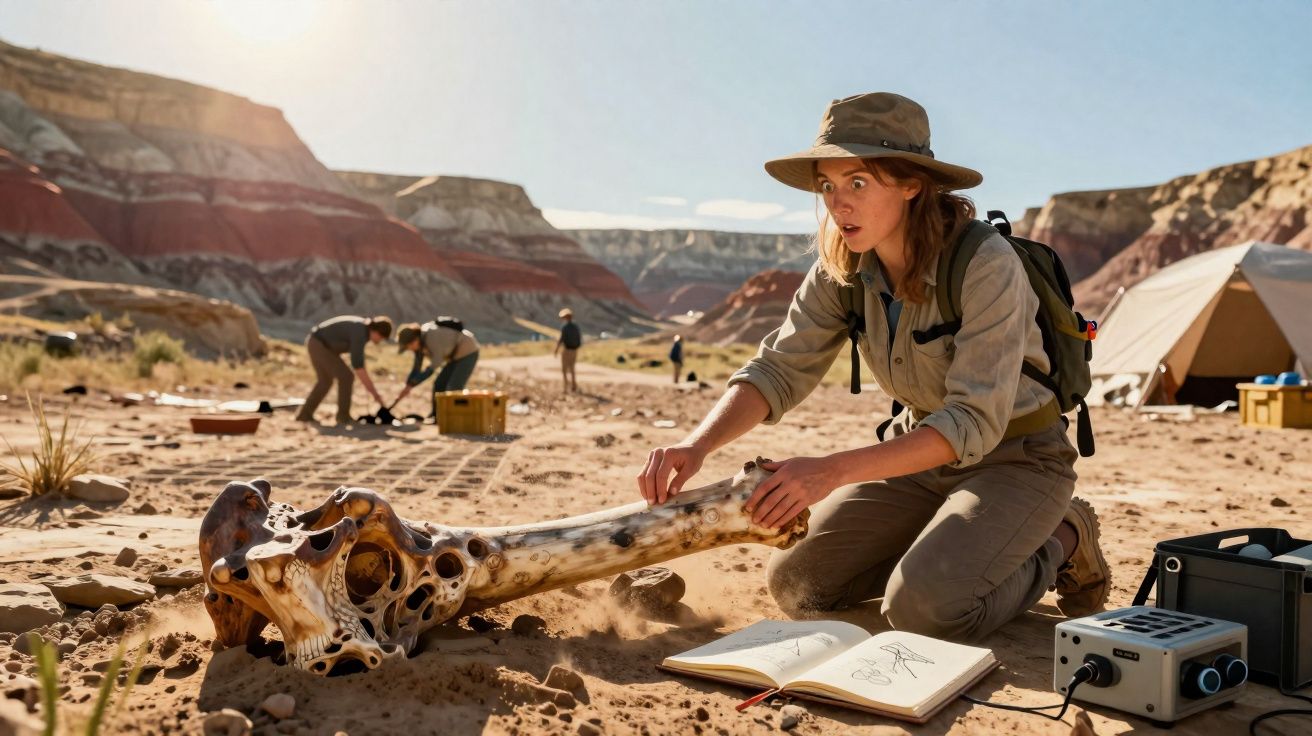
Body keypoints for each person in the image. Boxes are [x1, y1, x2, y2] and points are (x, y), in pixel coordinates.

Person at [636, 92, 1109, 643]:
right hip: (918, 452)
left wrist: (830, 471)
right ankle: (947, 548)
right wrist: (696, 445)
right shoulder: (840, 268)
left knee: (925, 610)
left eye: (858, 182)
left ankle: (1063, 538)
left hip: (1018, 457)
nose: (838, 205)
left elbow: (972, 420)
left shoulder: (986, 264)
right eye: (827, 186)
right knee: (798, 584)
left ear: (912, 184)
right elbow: (779, 368)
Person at [295, 315, 392, 424]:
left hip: (318, 344)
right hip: (319, 345)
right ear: (376, 332)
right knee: (346, 377)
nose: (380, 341)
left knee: (325, 381)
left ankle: (304, 415)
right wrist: (376, 395)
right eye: (381, 337)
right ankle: (343, 417)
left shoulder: (363, 330)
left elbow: (359, 362)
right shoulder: (360, 332)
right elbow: (359, 367)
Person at [392, 319, 481, 419]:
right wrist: (408, 384)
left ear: (414, 341)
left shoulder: (432, 338)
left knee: (454, 387)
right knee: (439, 384)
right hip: (454, 356)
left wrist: (413, 384)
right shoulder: (420, 343)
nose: (410, 349)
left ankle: (456, 418)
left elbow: (432, 368)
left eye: (408, 347)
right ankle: (436, 416)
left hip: (468, 351)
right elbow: (416, 368)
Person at [554, 308, 581, 393]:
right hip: (574, 350)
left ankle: (565, 387)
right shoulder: (575, 326)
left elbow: (561, 339)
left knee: (564, 369)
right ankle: (573, 385)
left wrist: (556, 349)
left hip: (566, 350)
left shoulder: (565, 327)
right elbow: (579, 339)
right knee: (572, 368)